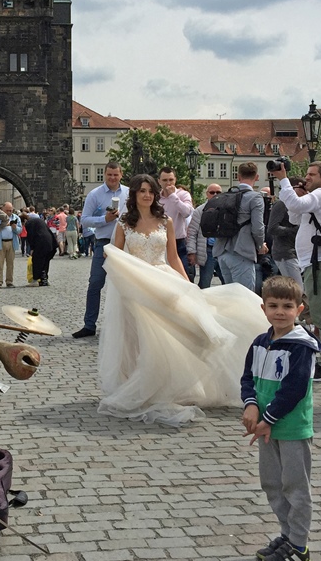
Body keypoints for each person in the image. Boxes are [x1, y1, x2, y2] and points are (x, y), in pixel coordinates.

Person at [98, 174, 269, 426]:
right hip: (134, 285)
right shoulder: (124, 223)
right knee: (136, 336)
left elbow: (173, 256)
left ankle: (167, 380)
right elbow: (115, 255)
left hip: (162, 278)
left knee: (176, 329)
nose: (146, 195)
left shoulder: (165, 221)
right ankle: (134, 381)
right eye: (142, 191)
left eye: (151, 191)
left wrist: (187, 284)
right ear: (133, 195)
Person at [240, 276, 317, 561]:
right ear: (263, 308)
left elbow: (294, 388)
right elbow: (248, 378)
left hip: (291, 427)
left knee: (296, 486)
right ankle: (287, 534)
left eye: (287, 306)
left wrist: (268, 418)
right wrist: (250, 405)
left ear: (299, 309)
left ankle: (299, 543)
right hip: (266, 428)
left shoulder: (302, 347)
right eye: (273, 305)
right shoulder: (260, 343)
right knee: (272, 483)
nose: (280, 312)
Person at [274, 161, 321, 383]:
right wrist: (296, 194)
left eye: (312, 174)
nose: (307, 177)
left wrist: (284, 179)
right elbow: (294, 214)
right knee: (319, 311)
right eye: (307, 173)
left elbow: (295, 204)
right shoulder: (317, 197)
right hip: (312, 262)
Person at [73, 162, 128, 338]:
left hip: (126, 245)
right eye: (109, 175)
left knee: (125, 286)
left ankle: (125, 325)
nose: (112, 178)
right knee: (95, 283)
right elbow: (85, 220)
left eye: (115, 175)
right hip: (103, 243)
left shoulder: (128, 193)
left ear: (121, 175)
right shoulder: (95, 194)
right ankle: (89, 325)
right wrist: (105, 219)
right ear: (104, 175)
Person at [214, 162, 267, 293]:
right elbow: (258, 228)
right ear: (257, 177)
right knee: (245, 296)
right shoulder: (255, 197)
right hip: (241, 251)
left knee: (231, 296)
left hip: (222, 251)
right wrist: (260, 245)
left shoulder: (227, 195)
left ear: (238, 177)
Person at [159, 166, 194, 280]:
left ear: (175, 180)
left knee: (182, 276)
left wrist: (173, 196)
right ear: (159, 181)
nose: (168, 183)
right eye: (165, 180)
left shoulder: (183, 195)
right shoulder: (155, 197)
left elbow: (187, 212)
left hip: (178, 242)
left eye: (171, 180)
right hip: (160, 241)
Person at [267, 176, 303, 287]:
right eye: (301, 187)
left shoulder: (299, 205)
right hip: (285, 252)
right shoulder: (281, 204)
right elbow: (272, 228)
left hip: (295, 252)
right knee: (297, 289)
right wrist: (294, 230)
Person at [188, 184, 225, 288]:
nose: (215, 195)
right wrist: (191, 252)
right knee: (205, 283)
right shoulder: (199, 211)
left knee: (228, 282)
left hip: (223, 249)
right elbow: (192, 232)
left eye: (218, 192)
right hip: (207, 251)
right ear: (207, 194)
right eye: (212, 192)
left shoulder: (227, 209)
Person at [22, 210, 55, 286]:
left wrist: (32, 248)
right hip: (50, 241)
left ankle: (35, 280)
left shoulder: (29, 223)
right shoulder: (39, 220)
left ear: (24, 221)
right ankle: (44, 279)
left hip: (41, 243)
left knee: (36, 260)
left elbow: (30, 236)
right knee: (45, 261)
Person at [0, 202, 20, 288]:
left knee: (10, 263)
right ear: (3, 210)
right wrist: (3, 224)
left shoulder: (16, 218)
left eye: (10, 210)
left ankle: (9, 281)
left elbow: (20, 231)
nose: (9, 212)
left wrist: (15, 227)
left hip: (11, 242)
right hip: (0, 242)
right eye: (7, 210)